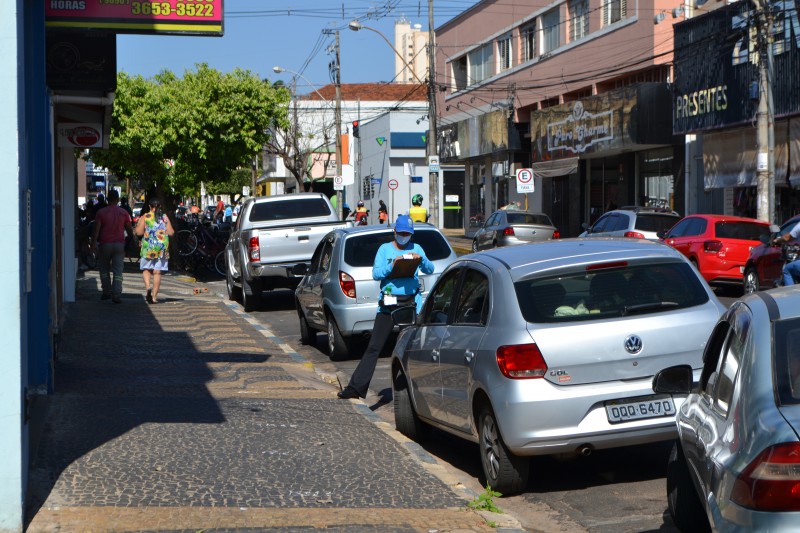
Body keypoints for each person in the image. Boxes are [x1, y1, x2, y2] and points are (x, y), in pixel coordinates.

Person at [338, 214, 434, 399]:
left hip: (411, 304)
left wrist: (420, 259)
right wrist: (393, 265)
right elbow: (376, 273)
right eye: (402, 233)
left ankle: (419, 390)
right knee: (374, 347)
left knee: (411, 348)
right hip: (389, 304)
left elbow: (429, 269)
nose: (405, 236)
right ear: (395, 232)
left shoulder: (417, 248)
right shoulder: (384, 250)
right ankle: (356, 387)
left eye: (408, 233)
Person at [91, 189, 134, 303]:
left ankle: (106, 292)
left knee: (104, 269)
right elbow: (129, 230)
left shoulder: (101, 212)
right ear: (118, 199)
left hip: (105, 244)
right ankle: (116, 294)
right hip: (119, 245)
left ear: (107, 199)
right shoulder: (124, 213)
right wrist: (130, 240)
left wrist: (93, 243)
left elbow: (96, 230)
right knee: (118, 271)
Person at [136, 197, 175, 304]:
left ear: (149, 206)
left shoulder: (145, 216)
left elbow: (139, 232)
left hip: (148, 246)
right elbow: (171, 232)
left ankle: (148, 287)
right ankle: (154, 297)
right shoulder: (164, 217)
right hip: (162, 247)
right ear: (160, 206)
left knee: (146, 269)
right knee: (157, 272)